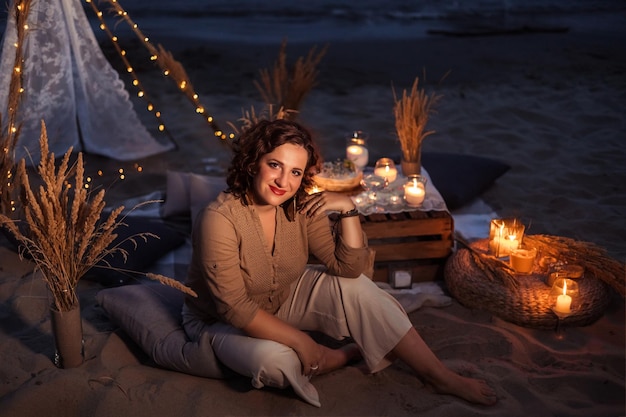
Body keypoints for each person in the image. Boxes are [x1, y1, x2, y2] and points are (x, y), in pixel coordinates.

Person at [182, 119, 497, 407]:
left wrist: (348, 209)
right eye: (274, 165)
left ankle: (438, 376)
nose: (283, 181)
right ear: (253, 163)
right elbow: (234, 307)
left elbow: (347, 268)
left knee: (357, 286)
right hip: (217, 319)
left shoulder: (300, 205)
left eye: (295, 172)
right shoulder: (219, 219)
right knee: (275, 363)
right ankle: (341, 355)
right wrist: (302, 342)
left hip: (280, 298)